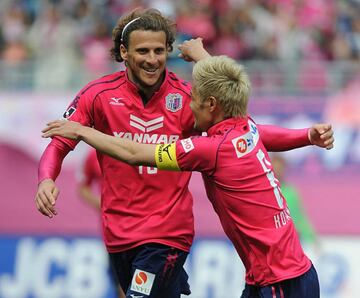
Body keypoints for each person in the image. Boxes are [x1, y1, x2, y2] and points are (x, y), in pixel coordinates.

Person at [35, 8, 333, 297]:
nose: (152, 60)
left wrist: (85, 132)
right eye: (143, 52)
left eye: (159, 51)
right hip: (119, 236)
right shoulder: (97, 95)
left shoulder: (192, 103)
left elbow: (138, 152)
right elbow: (60, 143)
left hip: (168, 235)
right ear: (124, 52)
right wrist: (46, 178)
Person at [77, 148, 125, 298]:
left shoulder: (135, 146)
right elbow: (83, 188)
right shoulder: (93, 154)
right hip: (112, 231)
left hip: (145, 227)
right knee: (122, 285)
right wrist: (102, 204)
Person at [271, 154, 318, 245]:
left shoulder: (291, 192)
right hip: (273, 241)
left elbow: (300, 217)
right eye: (275, 168)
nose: (278, 171)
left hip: (292, 240)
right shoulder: (264, 191)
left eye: (280, 168)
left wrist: (312, 238)